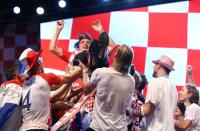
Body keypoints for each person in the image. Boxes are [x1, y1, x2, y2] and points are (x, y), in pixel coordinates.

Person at [18, 48, 82, 131]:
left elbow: (57, 89)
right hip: (39, 128)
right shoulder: (45, 78)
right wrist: (81, 68)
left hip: (24, 128)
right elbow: (69, 77)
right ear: (37, 63)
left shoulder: (26, 84)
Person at [82, 45, 135, 131]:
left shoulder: (100, 73)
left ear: (115, 55)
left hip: (98, 127)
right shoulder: (131, 81)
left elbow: (86, 90)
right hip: (120, 128)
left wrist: (84, 70)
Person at [132, 55, 178, 131]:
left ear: (159, 66)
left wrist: (130, 111)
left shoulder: (155, 82)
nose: (153, 67)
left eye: (155, 64)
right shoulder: (174, 87)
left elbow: (147, 109)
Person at [0, 65, 25, 131]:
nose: (25, 73)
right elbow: (8, 107)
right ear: (17, 75)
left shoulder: (3, 86)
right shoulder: (16, 87)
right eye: (23, 72)